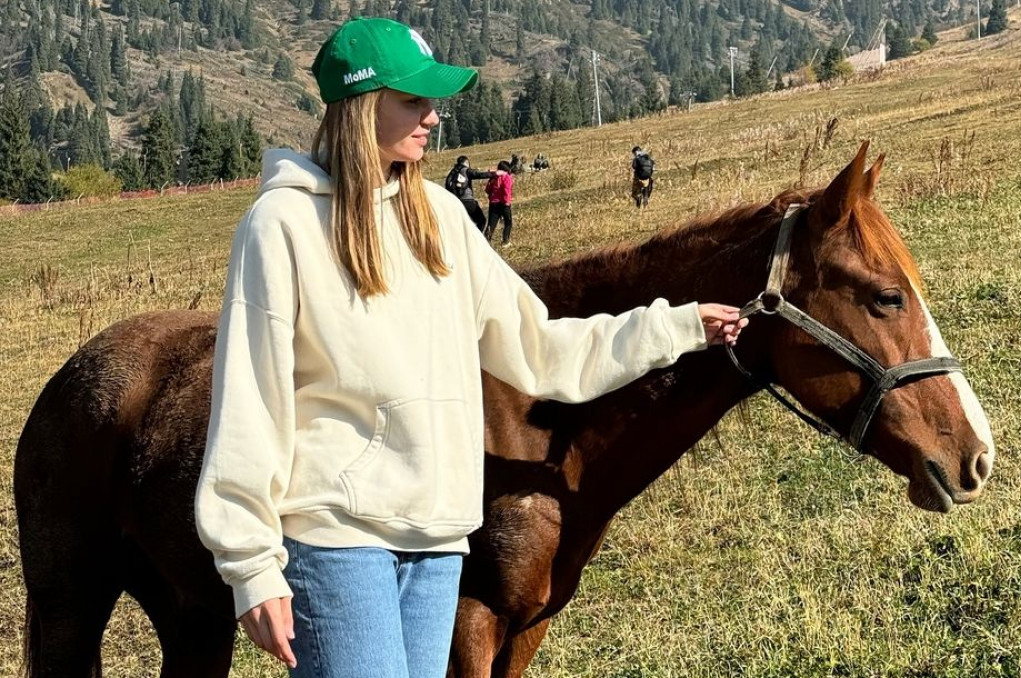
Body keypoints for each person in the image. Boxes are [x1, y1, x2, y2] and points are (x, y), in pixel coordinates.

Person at [194, 16, 748, 678]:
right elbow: (250, 397)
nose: (432, 118)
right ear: (359, 104)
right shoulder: (281, 224)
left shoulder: (443, 219)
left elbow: (543, 351)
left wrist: (677, 328)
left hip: (437, 544)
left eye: (434, 102)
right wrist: (252, 565)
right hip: (336, 542)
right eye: (412, 100)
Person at [444, 155, 494, 232]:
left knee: (463, 224)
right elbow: (478, 175)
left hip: (455, 201)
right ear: (466, 162)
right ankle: (476, 240)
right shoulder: (466, 170)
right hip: (467, 201)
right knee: (481, 221)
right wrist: (494, 173)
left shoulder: (453, 171)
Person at [484, 160, 514, 247]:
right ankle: (505, 241)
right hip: (503, 203)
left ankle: (486, 242)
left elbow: (487, 190)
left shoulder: (494, 177)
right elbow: (506, 190)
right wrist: (507, 202)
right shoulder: (507, 177)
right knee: (508, 222)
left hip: (493, 203)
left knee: (491, 224)